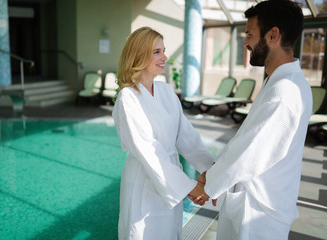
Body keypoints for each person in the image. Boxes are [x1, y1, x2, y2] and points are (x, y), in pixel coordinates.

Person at [190, 0, 313, 239]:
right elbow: (246, 139)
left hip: (259, 214)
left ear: (273, 35)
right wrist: (213, 176)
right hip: (258, 202)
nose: (245, 42)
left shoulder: (284, 92)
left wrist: (207, 185)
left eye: (249, 34)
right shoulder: (278, 82)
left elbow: (248, 153)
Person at [112, 26, 215, 240]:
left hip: (170, 181)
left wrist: (211, 172)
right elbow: (149, 151)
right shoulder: (128, 98)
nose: (165, 57)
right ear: (139, 55)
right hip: (143, 182)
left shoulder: (167, 91)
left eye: (163, 50)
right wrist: (190, 187)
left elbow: (187, 137)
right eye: (157, 52)